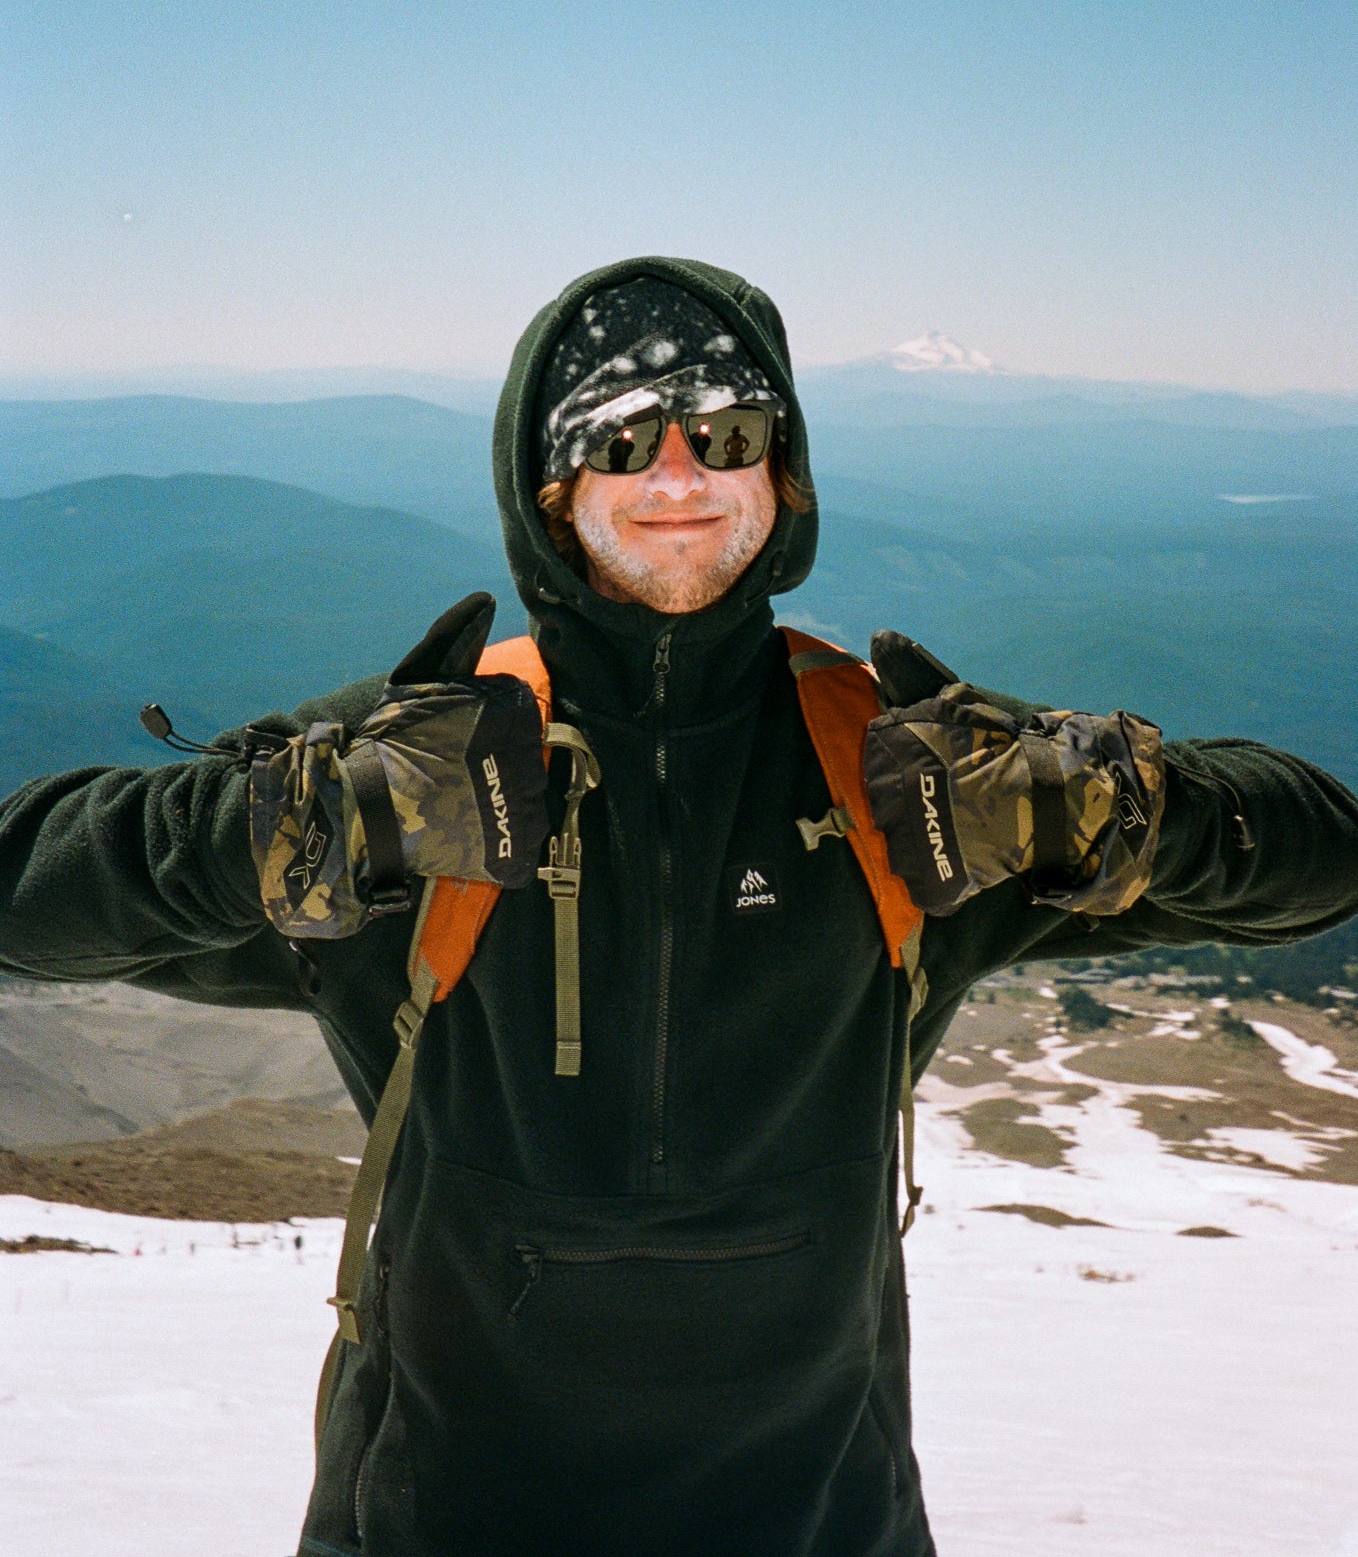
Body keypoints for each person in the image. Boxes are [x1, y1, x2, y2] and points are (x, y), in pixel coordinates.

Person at [3, 255, 1357, 1557]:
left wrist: (1115, 811)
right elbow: (25, 892)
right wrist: (262, 829)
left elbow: (1319, 858)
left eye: (726, 428)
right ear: (546, 485)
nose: (677, 474)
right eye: (620, 437)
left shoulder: (898, 777)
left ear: (781, 473)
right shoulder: (415, 763)